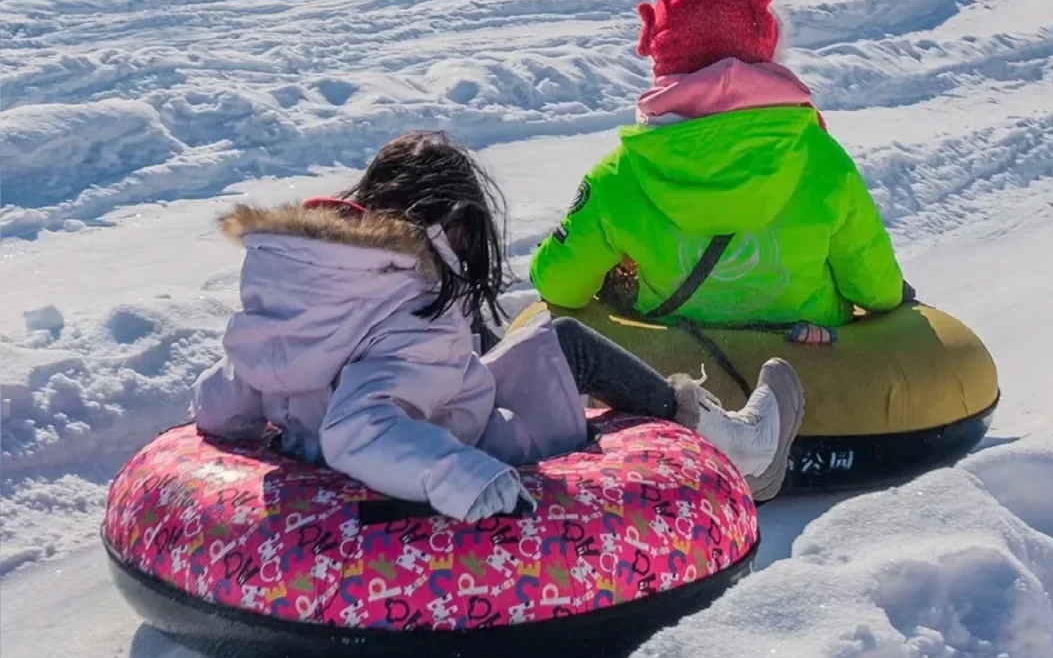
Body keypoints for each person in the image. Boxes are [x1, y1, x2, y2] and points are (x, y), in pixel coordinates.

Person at [192, 132, 805, 512]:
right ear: (453, 225)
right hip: (460, 441)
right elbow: (362, 425)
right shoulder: (412, 319)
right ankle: (740, 446)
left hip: (376, 417)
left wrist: (248, 429)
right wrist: (459, 475)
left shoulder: (305, 297)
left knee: (478, 331)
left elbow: (227, 397)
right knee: (562, 343)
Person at [530, 0, 905, 350]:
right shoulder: (819, 156)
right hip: (810, 366)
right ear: (764, 49)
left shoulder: (620, 173)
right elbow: (878, 292)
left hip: (677, 370)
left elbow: (558, 285)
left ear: (663, 58)